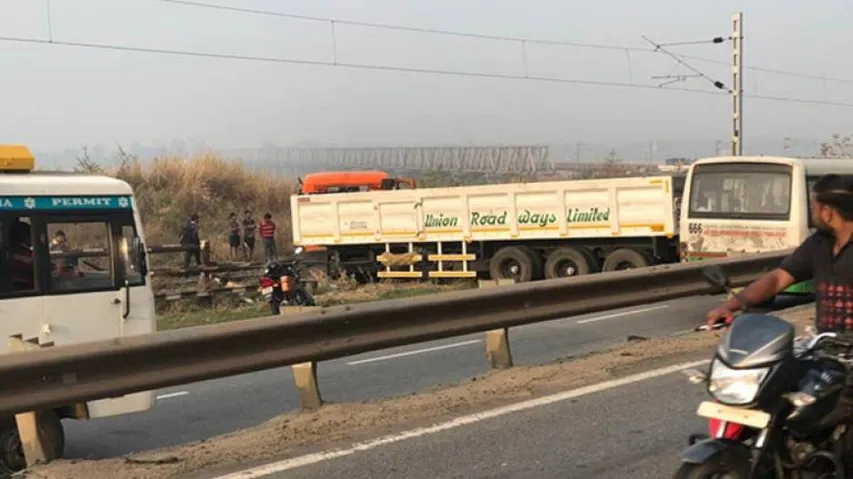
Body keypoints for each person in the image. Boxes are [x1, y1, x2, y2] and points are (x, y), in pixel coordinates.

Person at [706, 173, 853, 332]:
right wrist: (730, 306)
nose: (813, 214)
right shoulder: (819, 243)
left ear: (826, 213)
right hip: (827, 343)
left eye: (813, 209)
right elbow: (778, 279)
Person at [9, 220, 35, 291]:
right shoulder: (19, 251)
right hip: (24, 288)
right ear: (25, 237)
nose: (33, 238)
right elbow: (35, 264)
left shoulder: (13, 249)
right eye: (31, 234)